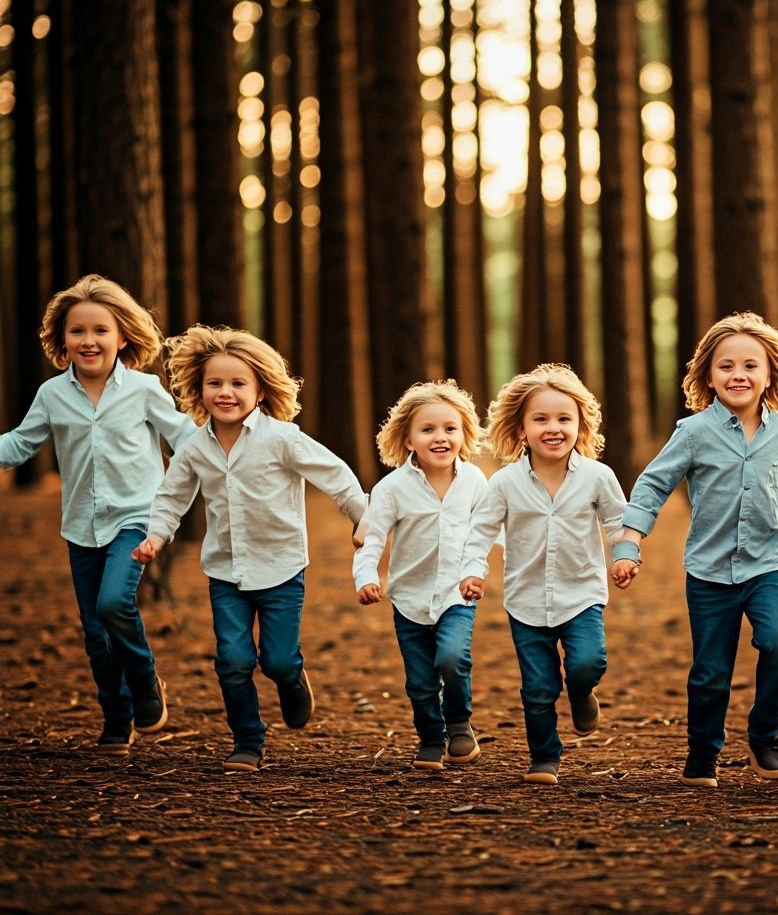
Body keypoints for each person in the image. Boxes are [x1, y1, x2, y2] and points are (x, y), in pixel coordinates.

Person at [131, 325, 366, 773]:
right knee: (233, 660)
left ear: (259, 390)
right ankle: (247, 741)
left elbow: (335, 475)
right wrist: (156, 535)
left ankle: (292, 677)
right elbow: (171, 497)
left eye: (238, 383)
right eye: (215, 383)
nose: (226, 392)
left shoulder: (282, 438)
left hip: (281, 567)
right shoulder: (195, 447)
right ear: (198, 391)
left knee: (276, 659)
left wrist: (363, 517)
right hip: (225, 570)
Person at [610, 312, 778, 788]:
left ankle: (765, 738)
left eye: (750, 365)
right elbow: (652, 485)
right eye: (726, 366)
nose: (738, 375)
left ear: (770, 373)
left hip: (766, 565)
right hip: (708, 573)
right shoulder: (693, 432)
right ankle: (703, 751)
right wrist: (630, 542)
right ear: (708, 375)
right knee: (711, 671)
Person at [0, 274, 196, 756]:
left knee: (113, 604)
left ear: (122, 336)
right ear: (62, 340)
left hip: (137, 516)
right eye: (77, 331)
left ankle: (147, 682)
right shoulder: (52, 395)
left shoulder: (145, 389)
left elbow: (188, 438)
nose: (88, 340)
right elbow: (21, 443)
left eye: (100, 330)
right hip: (81, 525)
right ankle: (116, 717)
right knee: (95, 633)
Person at [459, 363, 627, 786]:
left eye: (563, 419)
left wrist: (625, 556)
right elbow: (479, 532)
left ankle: (582, 691)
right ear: (521, 429)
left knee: (589, 662)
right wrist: (473, 572)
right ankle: (544, 757)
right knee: (537, 688)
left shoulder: (597, 476)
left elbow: (617, 523)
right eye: (541, 419)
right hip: (526, 600)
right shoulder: (505, 483)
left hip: (581, 594)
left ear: (580, 425)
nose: (553, 428)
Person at [353, 380, 488, 771]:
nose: (440, 437)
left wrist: (476, 573)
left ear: (464, 434)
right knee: (420, 680)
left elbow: (486, 533)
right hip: (409, 598)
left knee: (452, 659)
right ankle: (431, 738)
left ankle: (459, 725)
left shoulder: (476, 482)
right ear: (409, 439)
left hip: (457, 594)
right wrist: (365, 578)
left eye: (450, 428)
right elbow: (372, 539)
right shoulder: (391, 488)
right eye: (428, 430)